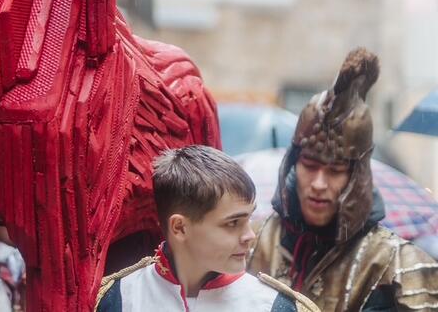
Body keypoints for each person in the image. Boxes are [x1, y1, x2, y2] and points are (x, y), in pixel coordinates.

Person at [248, 48, 438, 311]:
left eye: (335, 171)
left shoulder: (398, 266)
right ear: (294, 163)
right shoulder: (250, 241)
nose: (318, 183)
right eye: (310, 165)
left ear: (356, 176)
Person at [95, 145, 317, 311]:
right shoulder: (118, 299)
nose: (249, 235)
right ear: (180, 228)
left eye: (248, 219)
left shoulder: (275, 306)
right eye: (233, 223)